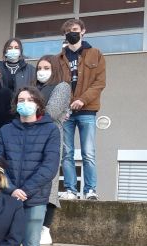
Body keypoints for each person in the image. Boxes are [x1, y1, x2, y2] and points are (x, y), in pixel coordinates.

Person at [0, 87, 61, 246]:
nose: (25, 103)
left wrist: (26, 190)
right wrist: (12, 189)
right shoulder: (6, 130)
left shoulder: (51, 129)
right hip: (10, 198)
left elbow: (50, 166)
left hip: (35, 199)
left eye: (29, 99)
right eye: (21, 100)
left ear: (38, 103)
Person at [57, 19, 106, 200]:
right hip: (66, 113)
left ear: (83, 31)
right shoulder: (59, 58)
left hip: (87, 112)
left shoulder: (96, 54)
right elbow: (57, 85)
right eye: (68, 30)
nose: (72, 32)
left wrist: (82, 100)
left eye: (75, 29)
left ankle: (90, 190)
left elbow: (99, 83)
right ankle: (70, 190)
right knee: (67, 153)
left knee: (88, 153)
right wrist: (68, 103)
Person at [33, 55, 72, 245]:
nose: (42, 71)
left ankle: (45, 228)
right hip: (31, 140)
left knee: (50, 184)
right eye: (39, 67)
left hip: (50, 139)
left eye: (46, 67)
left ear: (54, 69)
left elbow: (52, 112)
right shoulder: (34, 88)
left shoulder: (62, 87)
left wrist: (30, 112)